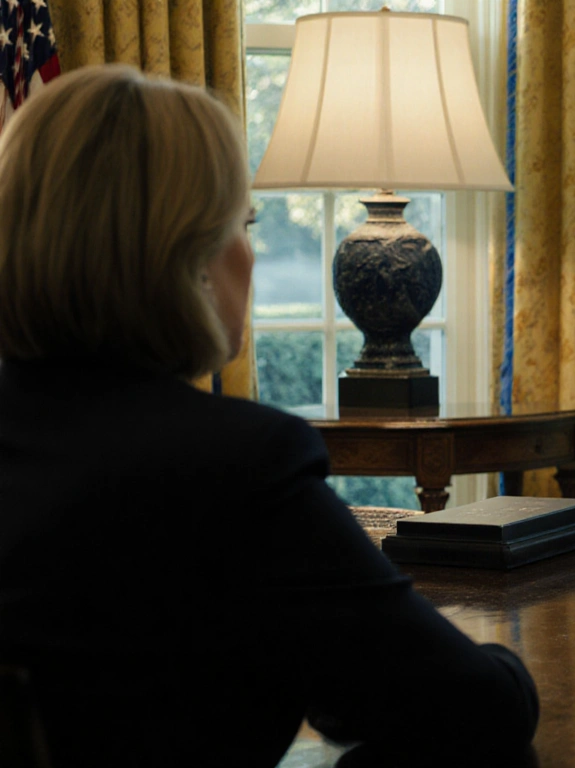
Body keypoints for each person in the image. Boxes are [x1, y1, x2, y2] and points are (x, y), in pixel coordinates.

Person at [0, 65, 538, 767]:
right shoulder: (234, 464)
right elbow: (474, 706)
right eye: (244, 222)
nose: (250, 254)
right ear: (187, 256)